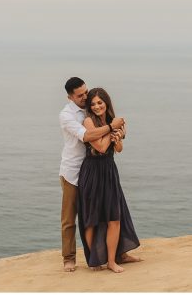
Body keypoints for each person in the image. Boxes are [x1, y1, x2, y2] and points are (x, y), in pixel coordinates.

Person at [59, 77, 125, 272]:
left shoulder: (91, 109)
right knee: (70, 218)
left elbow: (115, 143)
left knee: (111, 215)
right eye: (80, 95)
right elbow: (88, 136)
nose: (85, 97)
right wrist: (113, 127)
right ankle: (69, 258)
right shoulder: (67, 116)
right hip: (73, 170)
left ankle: (116, 253)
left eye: (85, 92)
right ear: (70, 97)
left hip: (97, 170)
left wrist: (116, 133)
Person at [78, 87, 141, 272]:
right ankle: (95, 260)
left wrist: (118, 138)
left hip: (109, 170)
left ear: (106, 102)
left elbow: (117, 149)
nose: (97, 107)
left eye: (100, 102)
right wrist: (113, 129)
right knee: (92, 219)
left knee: (115, 217)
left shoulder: (113, 120)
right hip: (92, 172)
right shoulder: (89, 121)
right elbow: (101, 147)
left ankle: (112, 261)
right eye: (93, 104)